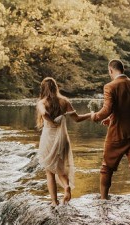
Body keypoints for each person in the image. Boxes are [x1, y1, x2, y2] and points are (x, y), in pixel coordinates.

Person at [91, 59, 130, 210]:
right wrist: (111, 118)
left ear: (111, 70)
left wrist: (96, 117)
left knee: (107, 167)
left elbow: (107, 109)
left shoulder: (110, 86)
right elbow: (129, 108)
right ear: (122, 69)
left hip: (117, 133)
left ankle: (103, 200)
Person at [36, 77, 91, 206]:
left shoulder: (42, 102)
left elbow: (44, 114)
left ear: (43, 89)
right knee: (61, 168)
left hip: (49, 138)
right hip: (62, 139)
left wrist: (52, 121)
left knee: (49, 171)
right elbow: (77, 119)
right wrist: (90, 114)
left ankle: (54, 202)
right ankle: (66, 186)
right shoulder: (64, 101)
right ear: (56, 87)